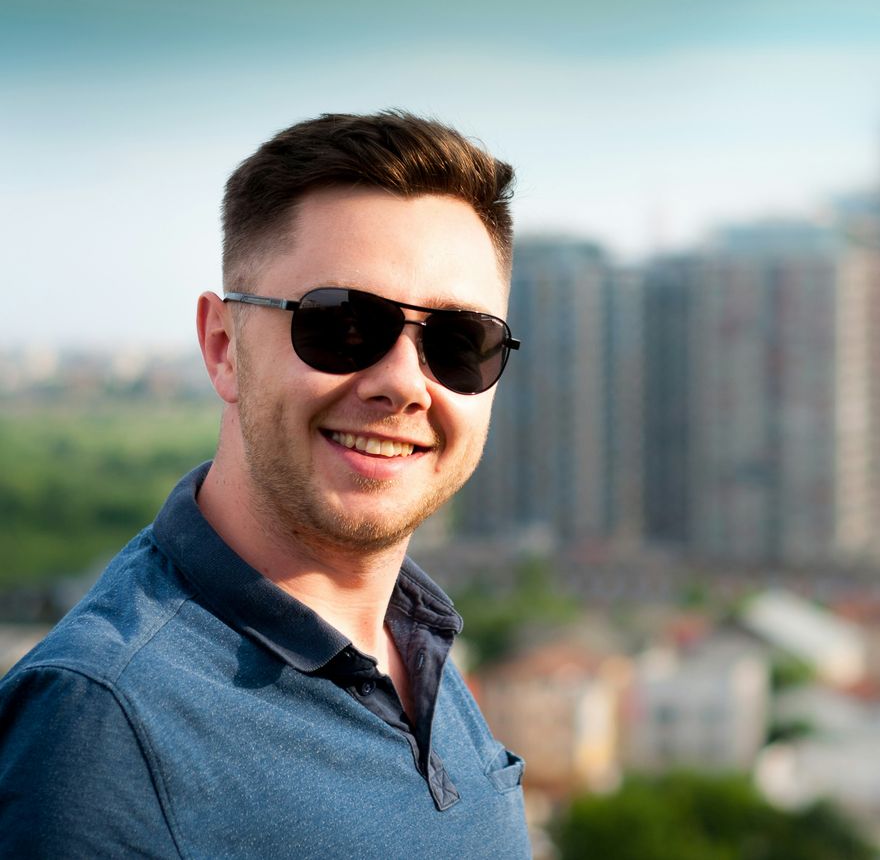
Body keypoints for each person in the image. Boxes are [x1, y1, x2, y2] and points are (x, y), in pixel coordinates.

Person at [0, 112, 532, 858]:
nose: (404, 385)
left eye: (458, 344)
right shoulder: (103, 723)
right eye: (343, 325)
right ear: (222, 347)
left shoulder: (419, 647)